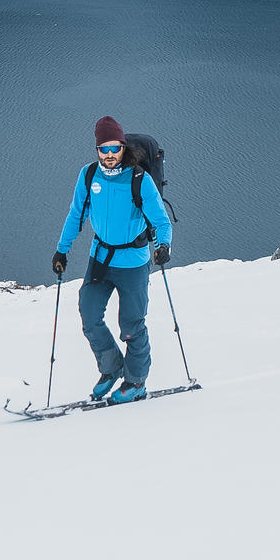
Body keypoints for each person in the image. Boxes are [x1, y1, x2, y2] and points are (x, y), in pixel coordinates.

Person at [51, 115, 174, 403]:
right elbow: (76, 215)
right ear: (97, 150)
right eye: (103, 149)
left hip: (133, 262)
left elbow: (161, 222)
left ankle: (136, 381)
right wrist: (61, 250)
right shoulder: (88, 175)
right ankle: (112, 368)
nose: (109, 154)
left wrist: (164, 246)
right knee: (89, 315)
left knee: (131, 326)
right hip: (101, 258)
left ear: (123, 147)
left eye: (114, 148)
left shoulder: (139, 180)